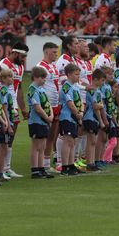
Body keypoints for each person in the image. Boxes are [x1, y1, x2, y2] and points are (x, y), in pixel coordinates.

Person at [0, 42, 28, 178]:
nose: (23, 59)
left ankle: (7, 167)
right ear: (15, 53)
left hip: (14, 106)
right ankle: (0, 168)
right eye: (22, 56)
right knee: (3, 136)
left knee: (11, 137)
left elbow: (19, 88)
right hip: (4, 104)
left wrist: (22, 108)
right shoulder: (2, 65)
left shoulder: (20, 67)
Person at [27, 66, 54, 179]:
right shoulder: (32, 90)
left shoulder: (41, 89)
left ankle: (41, 168)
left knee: (42, 146)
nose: (44, 81)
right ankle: (35, 170)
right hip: (36, 121)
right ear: (36, 77)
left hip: (44, 121)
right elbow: (37, 107)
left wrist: (51, 115)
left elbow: (47, 104)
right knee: (36, 146)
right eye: (43, 78)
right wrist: (47, 118)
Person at [37, 42, 60, 172]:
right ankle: (41, 164)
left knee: (52, 135)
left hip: (55, 104)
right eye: (54, 52)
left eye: (56, 52)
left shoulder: (53, 66)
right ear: (46, 52)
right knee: (44, 135)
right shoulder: (41, 67)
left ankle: (46, 162)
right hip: (46, 105)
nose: (56, 54)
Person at [59, 63, 83, 176]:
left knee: (72, 142)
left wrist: (81, 112)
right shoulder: (66, 87)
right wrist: (77, 114)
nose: (78, 76)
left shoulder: (75, 86)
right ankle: (65, 166)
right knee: (68, 141)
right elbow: (70, 103)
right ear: (69, 74)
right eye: (76, 74)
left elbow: (79, 100)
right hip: (67, 117)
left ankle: (71, 164)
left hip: (74, 117)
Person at [84, 69, 107, 172]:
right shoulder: (92, 90)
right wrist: (101, 121)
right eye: (102, 80)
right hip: (90, 117)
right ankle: (89, 163)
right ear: (96, 79)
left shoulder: (97, 91)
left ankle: (92, 162)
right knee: (91, 141)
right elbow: (95, 106)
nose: (103, 83)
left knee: (94, 141)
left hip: (94, 118)